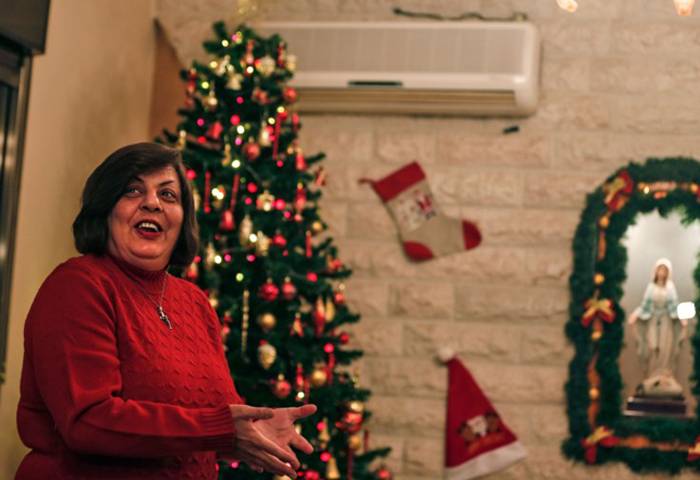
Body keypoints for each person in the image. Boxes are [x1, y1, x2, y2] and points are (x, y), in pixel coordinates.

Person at [15, 143, 316, 479]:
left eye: (169, 195)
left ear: (182, 218)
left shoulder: (195, 302)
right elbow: (88, 421)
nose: (152, 203)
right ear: (104, 208)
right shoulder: (78, 285)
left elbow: (217, 418)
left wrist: (256, 430)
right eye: (132, 190)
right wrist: (221, 428)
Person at [627, 258, 685, 397]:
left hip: (666, 320)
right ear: (656, 271)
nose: (662, 272)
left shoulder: (670, 287)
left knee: (665, 348)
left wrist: (682, 317)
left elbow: (674, 305)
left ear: (667, 272)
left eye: (664, 270)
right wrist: (635, 315)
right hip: (653, 320)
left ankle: (664, 375)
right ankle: (652, 376)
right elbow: (645, 306)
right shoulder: (651, 287)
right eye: (660, 269)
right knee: (653, 347)